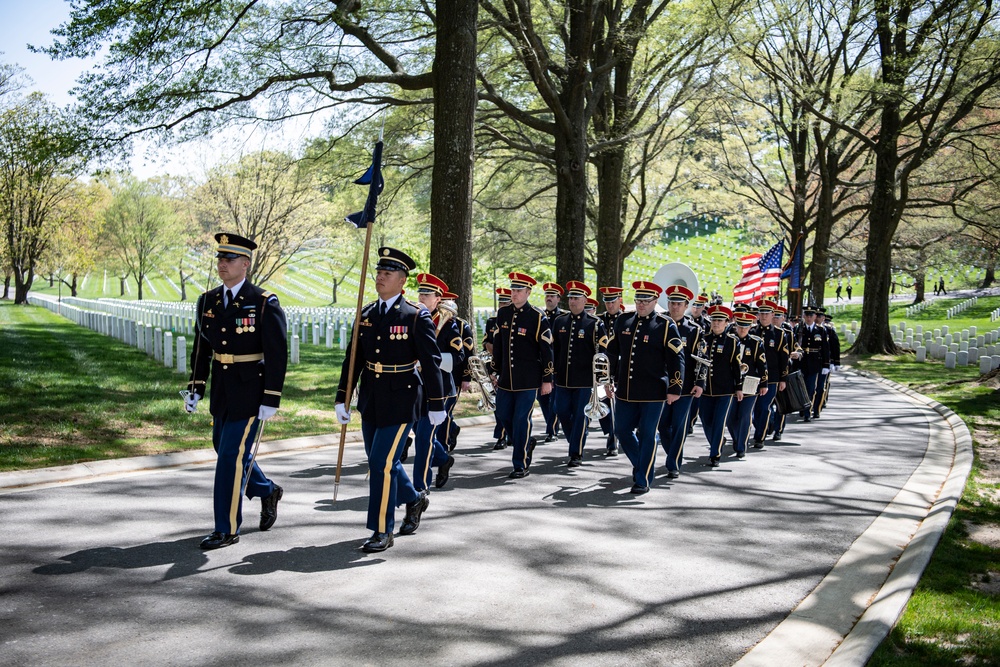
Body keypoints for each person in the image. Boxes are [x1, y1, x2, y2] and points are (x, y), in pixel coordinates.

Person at [334, 247, 447, 553]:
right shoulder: (367, 313)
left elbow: (431, 361)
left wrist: (437, 403)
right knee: (384, 461)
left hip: (402, 398)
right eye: (379, 272)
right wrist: (342, 396)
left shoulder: (415, 315)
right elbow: (352, 360)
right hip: (372, 397)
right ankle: (414, 499)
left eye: (388, 273)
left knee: (381, 464)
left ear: (402, 280)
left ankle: (381, 529)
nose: (380, 277)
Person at [185, 233, 287, 550]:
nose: (222, 265)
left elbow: (277, 352)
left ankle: (226, 528)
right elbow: (202, 347)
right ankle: (266, 489)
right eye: (220, 259)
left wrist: (271, 397)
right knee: (223, 446)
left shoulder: (263, 302)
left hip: (251, 390)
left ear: (245, 264)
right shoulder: (208, 301)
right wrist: (196, 386)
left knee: (229, 456)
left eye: (229, 260)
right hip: (223, 390)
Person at [606, 281, 685, 494]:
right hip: (626, 389)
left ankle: (642, 479)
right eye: (638, 300)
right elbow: (612, 353)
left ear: (655, 301)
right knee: (621, 429)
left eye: (645, 301)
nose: (641, 305)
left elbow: (677, 359)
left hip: (654, 392)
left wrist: (675, 388)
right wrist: (607, 379)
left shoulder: (665, 324)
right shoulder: (623, 321)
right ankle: (642, 464)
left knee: (648, 433)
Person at [490, 272, 554, 479]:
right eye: (513, 290)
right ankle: (525, 442)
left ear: (528, 292)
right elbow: (498, 345)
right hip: (507, 378)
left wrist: (547, 379)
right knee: (502, 414)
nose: (514, 294)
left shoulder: (537, 316)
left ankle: (521, 464)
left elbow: (546, 349)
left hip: (528, 379)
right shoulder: (503, 313)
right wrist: (494, 370)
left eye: (518, 290)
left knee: (520, 419)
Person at [410, 273, 464, 492]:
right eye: (420, 293)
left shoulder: (448, 325)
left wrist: (430, 359)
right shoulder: (411, 319)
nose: (421, 298)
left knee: (423, 439)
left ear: (438, 299)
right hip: (414, 387)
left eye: (427, 294)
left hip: (439, 389)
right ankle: (443, 459)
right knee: (419, 432)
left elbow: (458, 357)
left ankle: (419, 489)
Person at [551, 281, 609, 467]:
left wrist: (601, 380)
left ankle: (576, 452)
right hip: (562, 379)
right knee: (561, 411)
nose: (572, 302)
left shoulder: (595, 324)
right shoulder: (559, 322)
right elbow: (554, 350)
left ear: (585, 300)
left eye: (576, 298)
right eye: (570, 298)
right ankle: (576, 438)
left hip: (585, 381)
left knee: (579, 415)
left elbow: (603, 354)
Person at [656, 284, 705, 479]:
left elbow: (702, 358)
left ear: (686, 306)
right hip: (661, 384)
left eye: (678, 303)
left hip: (685, 386)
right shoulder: (658, 324)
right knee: (662, 425)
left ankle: (673, 463)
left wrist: (700, 383)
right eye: (671, 302)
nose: (674, 306)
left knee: (678, 426)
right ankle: (673, 455)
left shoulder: (694, 329)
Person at [699, 305, 742, 467]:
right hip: (706, 389)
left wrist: (738, 387)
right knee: (705, 420)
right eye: (714, 320)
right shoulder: (704, 339)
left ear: (726, 322)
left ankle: (715, 454)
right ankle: (718, 441)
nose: (716, 323)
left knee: (719, 422)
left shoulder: (731, 341)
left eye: (720, 320)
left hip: (725, 390)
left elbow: (736, 366)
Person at [727, 311, 768, 458]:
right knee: (730, 417)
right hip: (732, 383)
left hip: (750, 383)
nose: (742, 329)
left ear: (750, 326)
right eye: (739, 326)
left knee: (744, 415)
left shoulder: (756, 343)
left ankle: (741, 446)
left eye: (745, 326)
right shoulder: (729, 340)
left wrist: (764, 383)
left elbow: (762, 364)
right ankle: (736, 437)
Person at [749, 299, 789, 448]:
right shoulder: (752, 332)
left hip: (772, 377)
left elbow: (783, 358)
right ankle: (767, 424)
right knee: (753, 409)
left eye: (767, 313)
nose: (764, 316)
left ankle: (759, 437)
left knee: (764, 407)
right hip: (753, 377)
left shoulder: (779, 334)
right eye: (761, 313)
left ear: (773, 314)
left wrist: (783, 378)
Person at [442, 291, 475, 452]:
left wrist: (466, 377)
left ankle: (444, 442)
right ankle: (452, 429)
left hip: (454, 377)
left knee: (445, 411)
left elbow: (468, 354)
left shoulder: (462, 326)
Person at [597, 286, 626, 455]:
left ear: (620, 301)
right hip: (602, 368)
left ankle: (613, 439)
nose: (609, 305)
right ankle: (610, 432)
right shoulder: (599, 320)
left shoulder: (625, 320)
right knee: (603, 402)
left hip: (620, 368)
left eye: (612, 301)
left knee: (617, 405)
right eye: (607, 302)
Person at [484, 288, 511, 449]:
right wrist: (494, 348)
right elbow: (486, 342)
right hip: (494, 365)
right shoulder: (491, 321)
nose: (502, 305)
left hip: (510, 366)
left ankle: (511, 433)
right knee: (498, 402)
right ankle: (500, 436)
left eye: (505, 302)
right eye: (500, 302)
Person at [793, 306, 830, 422]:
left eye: (811, 316)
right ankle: (802, 407)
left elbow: (825, 348)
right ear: (804, 316)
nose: (809, 318)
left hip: (814, 363)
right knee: (801, 388)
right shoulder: (799, 329)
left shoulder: (821, 330)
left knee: (811, 389)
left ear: (815, 317)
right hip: (801, 362)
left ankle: (807, 412)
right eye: (807, 316)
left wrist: (826, 365)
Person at [539, 282, 565, 441]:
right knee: (542, 398)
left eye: (552, 296)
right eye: (547, 296)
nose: (549, 298)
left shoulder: (563, 317)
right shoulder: (539, 316)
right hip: (541, 364)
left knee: (554, 398)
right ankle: (551, 424)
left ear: (558, 298)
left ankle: (552, 430)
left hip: (557, 364)